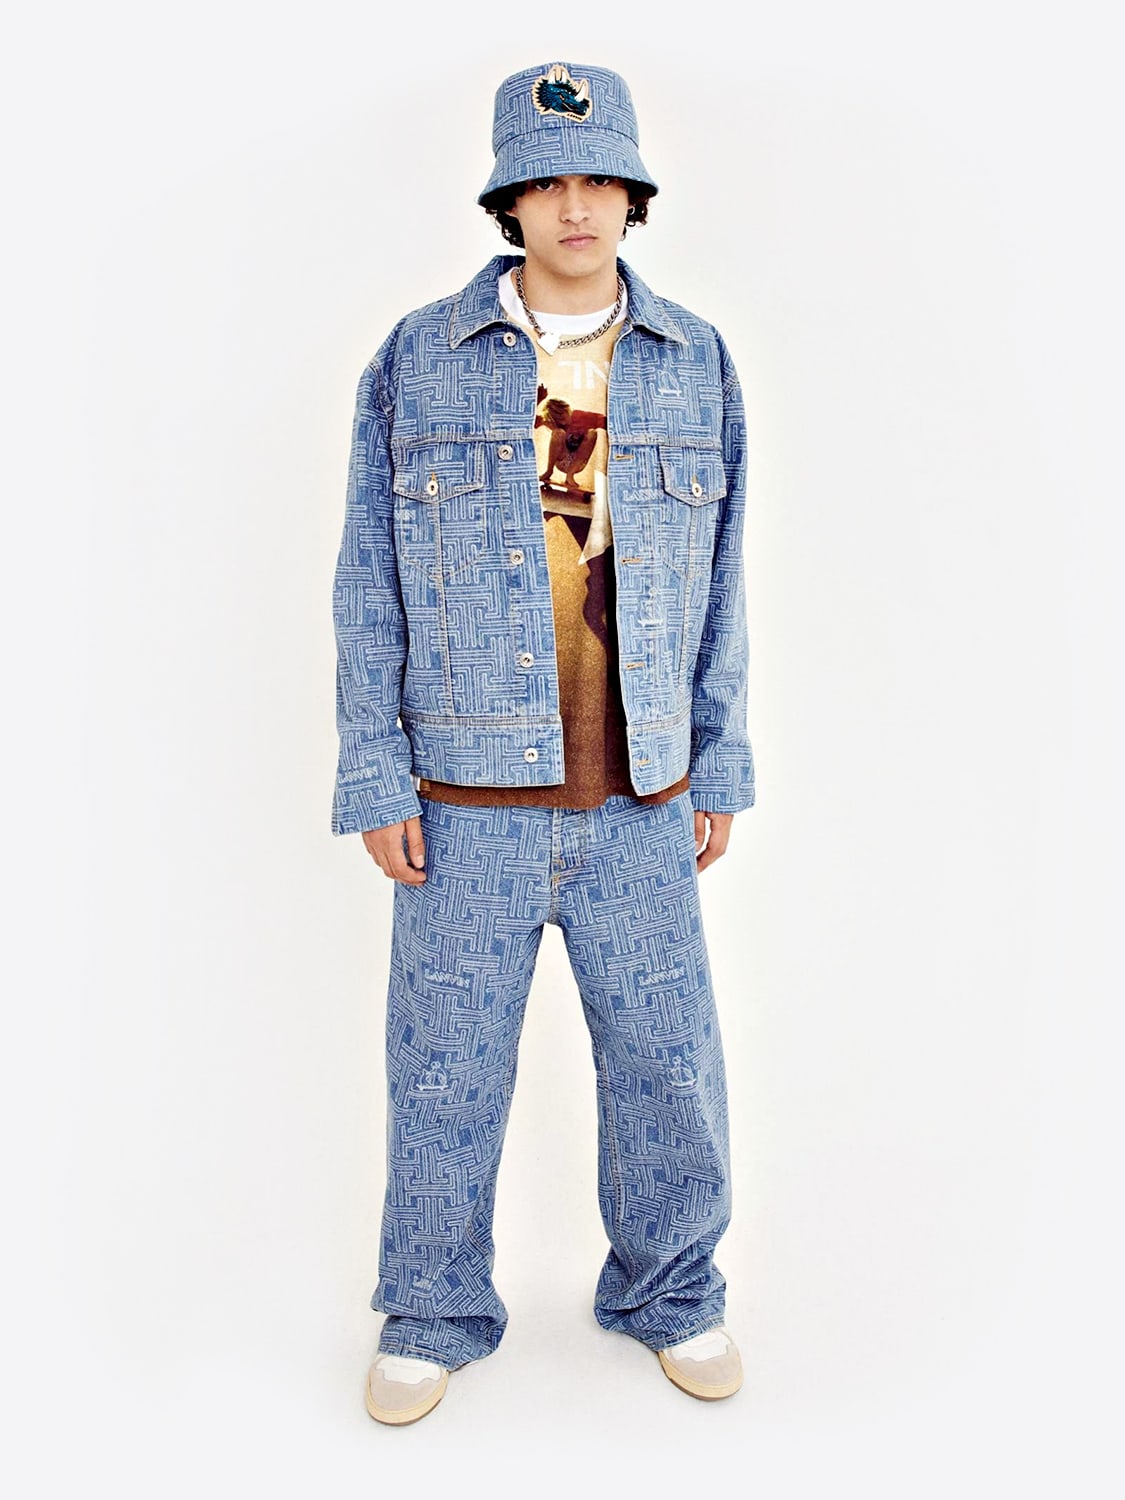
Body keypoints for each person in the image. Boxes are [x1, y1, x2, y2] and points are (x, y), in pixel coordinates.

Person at [331, 60, 756, 1426]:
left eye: (598, 180)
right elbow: (366, 583)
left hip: (640, 798)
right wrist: (376, 773)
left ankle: (671, 1292)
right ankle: (432, 1308)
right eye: (546, 180)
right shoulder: (419, 356)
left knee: (667, 1064)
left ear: (633, 197)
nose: (575, 206)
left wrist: (717, 759)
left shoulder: (693, 360)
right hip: (465, 805)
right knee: (444, 1069)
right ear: (508, 200)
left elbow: (722, 579)